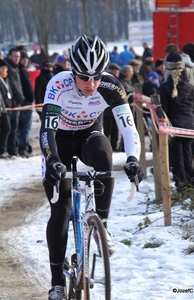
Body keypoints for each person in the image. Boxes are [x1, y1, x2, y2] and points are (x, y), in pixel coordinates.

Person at [39, 34, 144, 300]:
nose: (91, 83)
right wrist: (52, 159)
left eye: (97, 76)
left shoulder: (111, 86)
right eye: (84, 77)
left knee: (103, 153)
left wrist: (133, 158)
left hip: (88, 134)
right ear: (73, 72)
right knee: (60, 210)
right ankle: (57, 283)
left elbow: (128, 127)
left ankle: (103, 225)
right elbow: (46, 132)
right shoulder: (58, 84)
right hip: (58, 141)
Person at [159, 52, 194, 192]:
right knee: (186, 156)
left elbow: (164, 109)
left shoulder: (164, 87)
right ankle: (193, 184)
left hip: (174, 126)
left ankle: (181, 186)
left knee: (177, 159)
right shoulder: (189, 86)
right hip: (190, 125)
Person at [5, 47, 25, 158]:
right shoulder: (8, 67)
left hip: (17, 101)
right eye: (15, 56)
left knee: (15, 128)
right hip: (12, 102)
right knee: (12, 128)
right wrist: (21, 97)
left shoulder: (16, 67)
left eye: (18, 56)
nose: (17, 58)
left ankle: (14, 150)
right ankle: (12, 150)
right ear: (9, 56)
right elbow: (13, 84)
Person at [18, 50, 35, 158]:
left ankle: (23, 147)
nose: (24, 60)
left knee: (24, 127)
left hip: (27, 101)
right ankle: (22, 148)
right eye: (22, 58)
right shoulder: (20, 70)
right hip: (25, 102)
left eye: (26, 58)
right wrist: (29, 98)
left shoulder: (23, 69)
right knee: (24, 127)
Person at [103, 63, 121, 151]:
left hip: (115, 109)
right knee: (107, 130)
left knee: (115, 130)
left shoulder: (116, 80)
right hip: (108, 110)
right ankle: (107, 147)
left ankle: (114, 147)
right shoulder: (107, 81)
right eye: (116, 70)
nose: (118, 72)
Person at [0, 59, 13, 158]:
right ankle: (2, 151)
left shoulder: (7, 79)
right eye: (2, 68)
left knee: (7, 129)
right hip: (2, 109)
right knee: (6, 128)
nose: (4, 70)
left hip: (7, 108)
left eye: (6, 68)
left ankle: (4, 150)